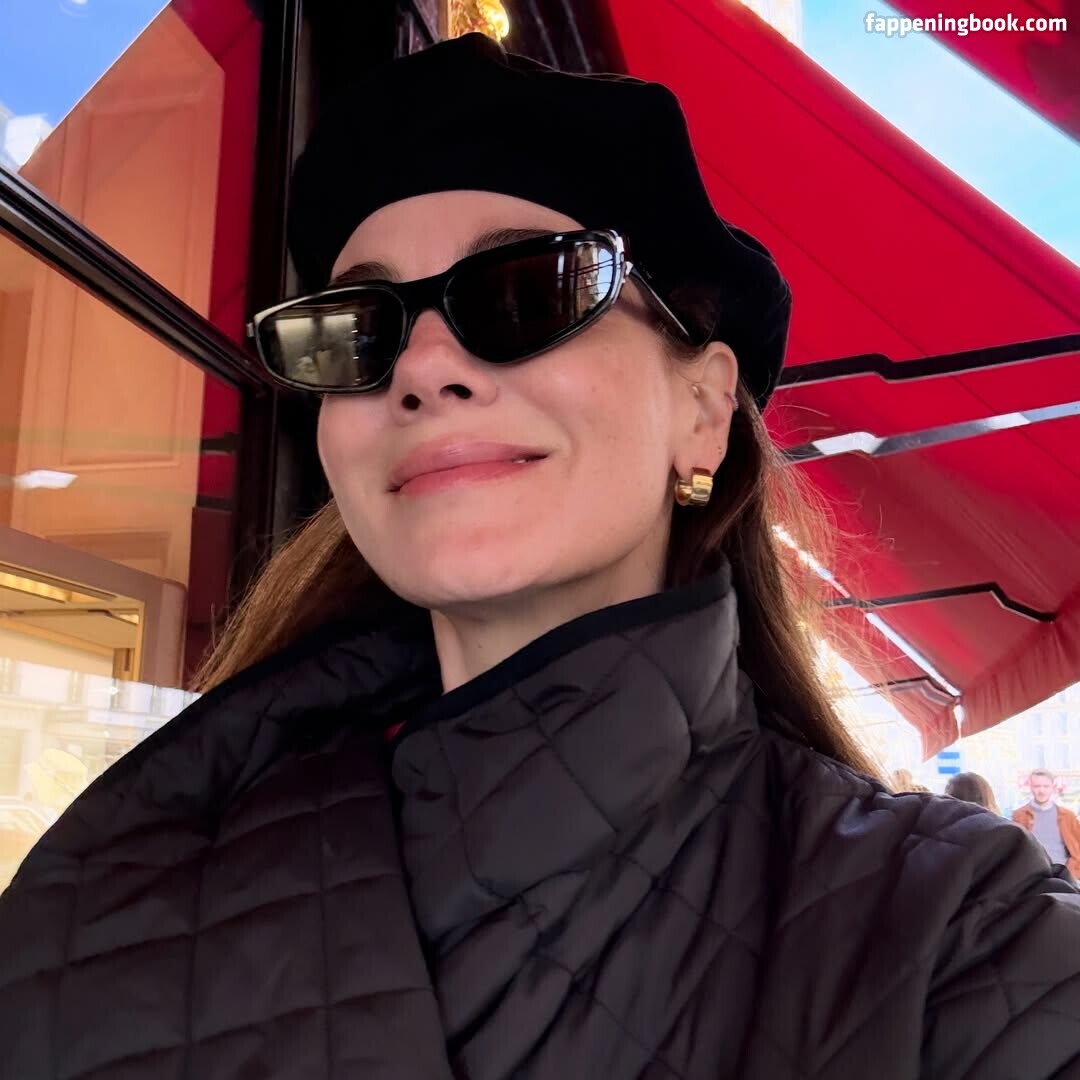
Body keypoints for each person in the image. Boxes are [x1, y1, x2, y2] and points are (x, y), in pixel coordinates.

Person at [1, 33, 1079, 1080]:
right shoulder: (136, 862)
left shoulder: (959, 932)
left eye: (530, 290)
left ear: (704, 413)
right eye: (357, 328)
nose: (422, 368)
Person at [1012, 768, 1080, 876]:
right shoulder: (1019, 816)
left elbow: (1077, 846)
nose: (1041, 791)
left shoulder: (1068, 816)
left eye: (1046, 786)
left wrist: (1071, 873)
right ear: (1030, 787)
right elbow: (1015, 848)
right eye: (1037, 786)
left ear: (1053, 787)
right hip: (1032, 874)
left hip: (1064, 875)